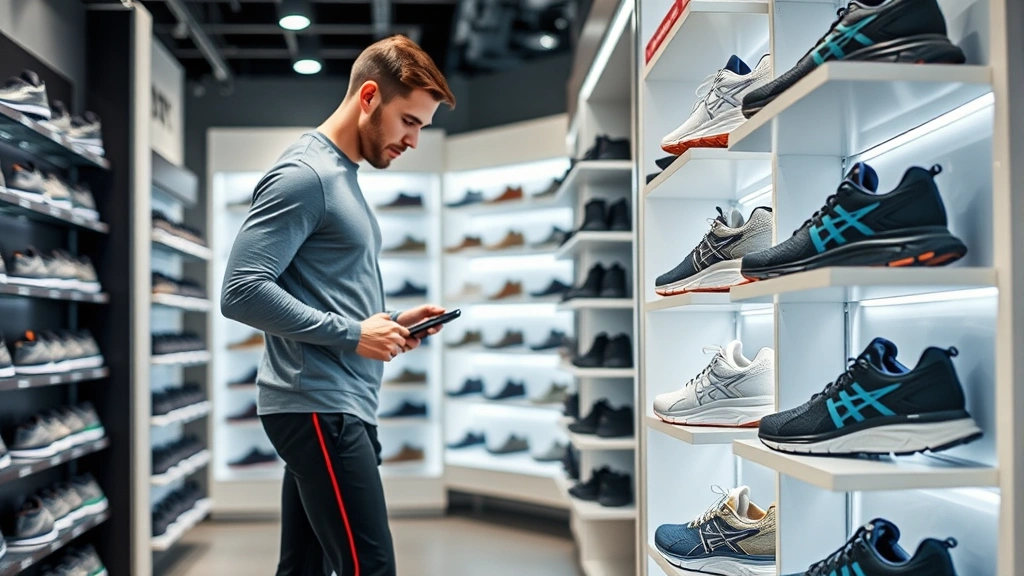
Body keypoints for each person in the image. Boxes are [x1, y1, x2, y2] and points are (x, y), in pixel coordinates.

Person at [220, 35, 455, 576]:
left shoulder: (340, 176)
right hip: (319, 407)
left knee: (303, 569)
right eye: (410, 122)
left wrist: (393, 323)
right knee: (369, 567)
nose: (413, 141)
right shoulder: (306, 175)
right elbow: (241, 290)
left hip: (333, 404)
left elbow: (322, 287)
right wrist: (353, 334)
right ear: (369, 96)